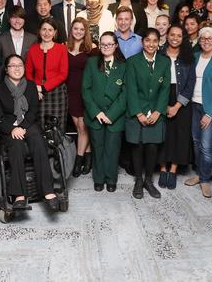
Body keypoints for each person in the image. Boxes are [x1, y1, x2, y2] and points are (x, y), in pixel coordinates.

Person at [0, 54, 60, 211]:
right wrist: (12, 129)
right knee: (16, 145)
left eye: (20, 65)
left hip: (28, 123)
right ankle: (19, 195)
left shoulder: (30, 86)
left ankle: (48, 191)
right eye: (13, 66)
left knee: (38, 141)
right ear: (6, 70)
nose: (17, 68)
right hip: (8, 126)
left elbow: (33, 110)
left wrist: (22, 126)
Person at [183, 26, 212, 199]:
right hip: (194, 105)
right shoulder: (194, 57)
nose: (206, 41)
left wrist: (209, 113)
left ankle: (205, 180)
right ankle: (199, 173)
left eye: (211, 38)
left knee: (206, 146)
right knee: (195, 142)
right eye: (203, 38)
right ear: (199, 40)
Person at [125, 28, 170, 200]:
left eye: (154, 41)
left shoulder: (165, 62)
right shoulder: (132, 61)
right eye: (147, 40)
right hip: (138, 111)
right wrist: (139, 113)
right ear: (142, 42)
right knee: (137, 146)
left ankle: (149, 180)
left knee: (152, 146)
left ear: (159, 43)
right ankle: (138, 180)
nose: (151, 44)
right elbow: (131, 89)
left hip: (156, 111)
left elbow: (165, 89)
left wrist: (158, 111)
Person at [82, 31, 127, 192]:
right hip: (96, 115)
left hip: (115, 116)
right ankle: (99, 178)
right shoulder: (92, 62)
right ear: (99, 46)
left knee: (112, 148)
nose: (106, 47)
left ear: (115, 46)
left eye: (109, 44)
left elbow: (125, 93)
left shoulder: (123, 65)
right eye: (103, 44)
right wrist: (97, 112)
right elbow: (85, 90)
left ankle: (111, 178)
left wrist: (111, 115)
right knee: (98, 147)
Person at [157, 25, 195, 190]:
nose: (175, 38)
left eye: (179, 36)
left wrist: (177, 106)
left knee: (179, 136)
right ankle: (162, 169)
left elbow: (190, 83)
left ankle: (173, 169)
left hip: (182, 101)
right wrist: (162, 104)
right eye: (172, 34)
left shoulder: (189, 57)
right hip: (162, 98)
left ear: (183, 38)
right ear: (167, 36)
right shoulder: (159, 55)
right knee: (162, 134)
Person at [25, 18, 69, 133]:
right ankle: (42, 151)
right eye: (44, 29)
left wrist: (43, 88)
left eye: (50, 30)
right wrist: (35, 89)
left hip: (58, 92)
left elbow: (63, 74)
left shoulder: (62, 49)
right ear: (39, 31)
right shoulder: (32, 49)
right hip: (38, 93)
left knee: (57, 129)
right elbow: (28, 73)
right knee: (40, 127)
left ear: (55, 33)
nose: (47, 33)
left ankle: (59, 151)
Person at [66, 17, 98, 178]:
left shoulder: (92, 48)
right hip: (70, 92)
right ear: (71, 30)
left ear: (85, 31)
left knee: (83, 127)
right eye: (75, 28)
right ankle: (88, 158)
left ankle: (78, 161)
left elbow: (98, 71)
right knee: (79, 127)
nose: (78, 31)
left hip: (86, 92)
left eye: (81, 29)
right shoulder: (65, 46)